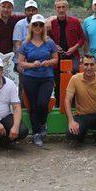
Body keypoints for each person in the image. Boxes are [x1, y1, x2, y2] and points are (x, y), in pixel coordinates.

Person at [17, 14, 59, 147]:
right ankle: (36, 133)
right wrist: (31, 65)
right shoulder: (26, 43)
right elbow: (20, 63)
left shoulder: (49, 42)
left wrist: (48, 62)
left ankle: (42, 123)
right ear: (31, 27)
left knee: (42, 103)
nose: (38, 27)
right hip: (30, 78)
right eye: (35, 24)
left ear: (43, 27)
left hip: (46, 77)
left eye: (41, 24)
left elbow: (56, 59)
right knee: (33, 106)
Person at [48, 0, 85, 73]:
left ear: (67, 8)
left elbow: (82, 38)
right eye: (59, 7)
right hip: (56, 55)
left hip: (73, 54)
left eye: (63, 7)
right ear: (55, 9)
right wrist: (54, 45)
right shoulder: (51, 23)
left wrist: (74, 48)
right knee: (57, 77)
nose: (61, 10)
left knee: (74, 73)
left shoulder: (75, 21)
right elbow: (48, 38)